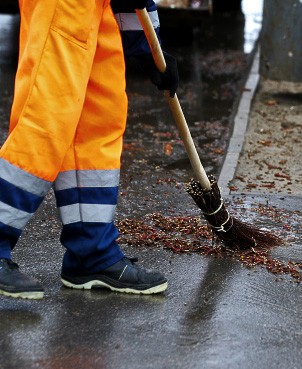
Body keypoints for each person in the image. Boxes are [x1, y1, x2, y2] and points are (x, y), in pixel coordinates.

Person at [0, 0, 179, 299]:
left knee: (98, 122)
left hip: (98, 7)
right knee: (46, 119)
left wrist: (150, 49)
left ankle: (92, 252)